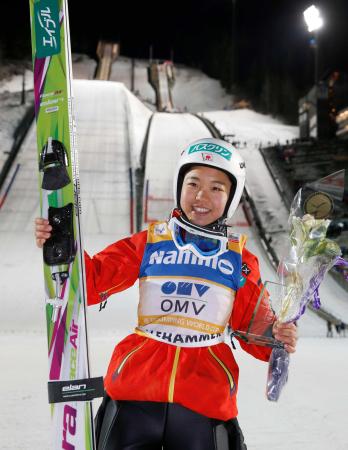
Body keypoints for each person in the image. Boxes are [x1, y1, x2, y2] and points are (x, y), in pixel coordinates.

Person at [35, 137, 298, 450]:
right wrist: (60, 243)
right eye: (193, 183)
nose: (201, 196)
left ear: (231, 197)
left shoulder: (239, 260)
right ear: (179, 186)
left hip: (203, 399)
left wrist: (278, 334)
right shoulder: (150, 242)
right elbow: (90, 284)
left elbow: (254, 329)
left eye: (216, 188)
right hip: (136, 390)